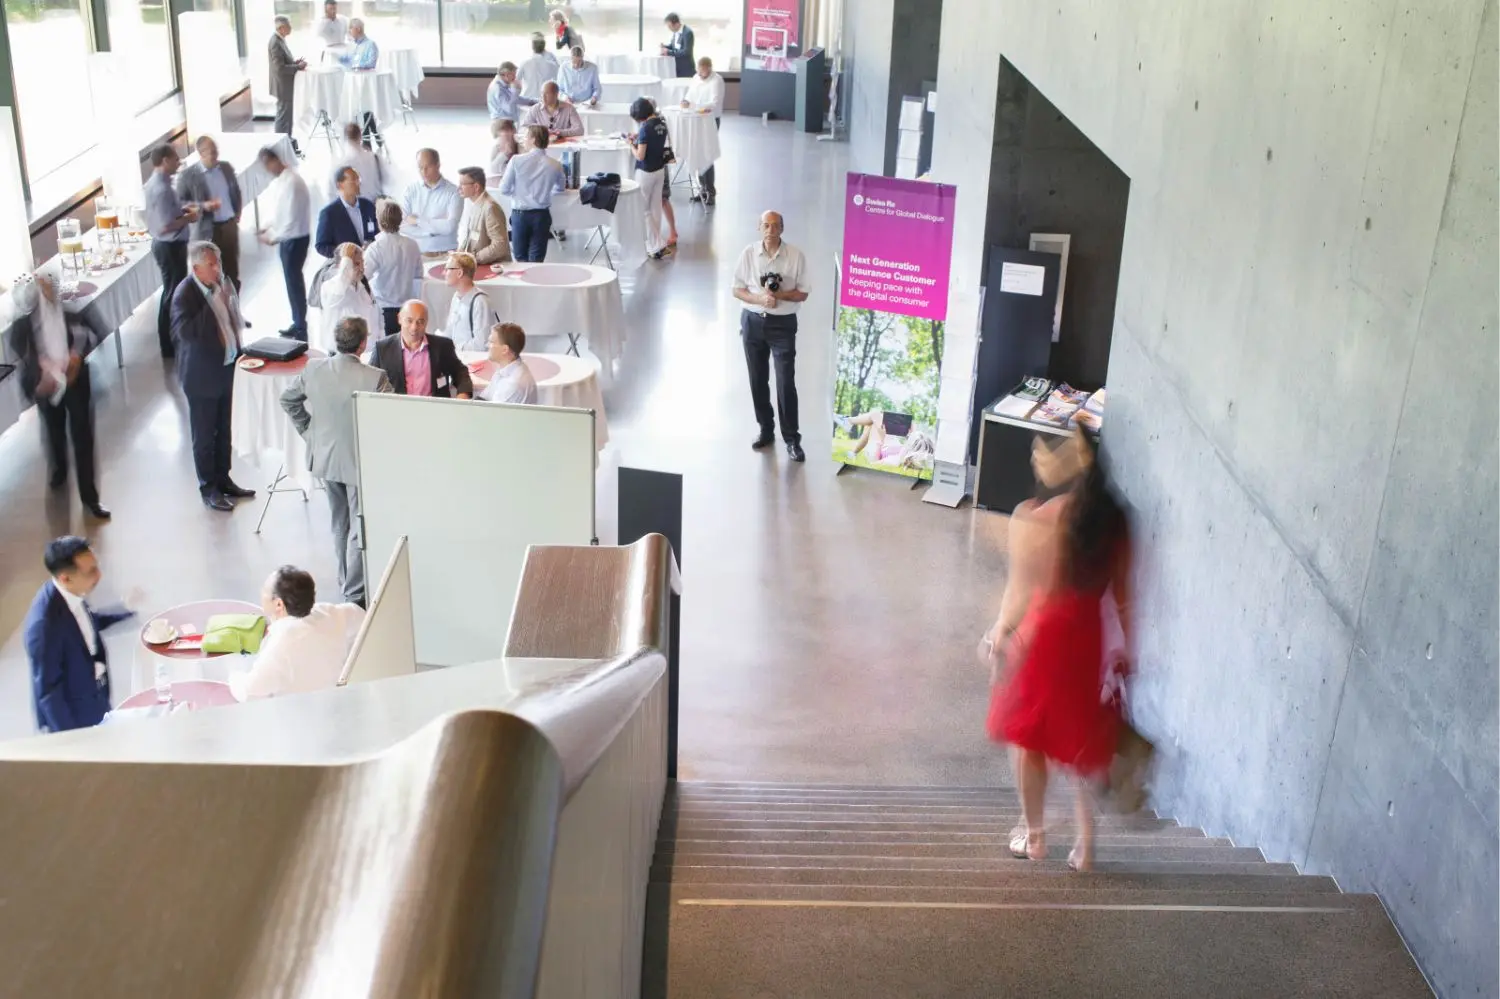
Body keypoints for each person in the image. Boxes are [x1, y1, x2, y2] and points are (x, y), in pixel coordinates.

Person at [984, 431, 1139, 872]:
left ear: (1069, 461)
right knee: (1079, 740)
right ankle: (1086, 847)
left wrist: (1002, 631)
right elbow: (1125, 595)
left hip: (1046, 631)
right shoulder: (1119, 519)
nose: (1036, 459)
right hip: (1088, 634)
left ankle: (1034, 838)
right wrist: (1126, 651)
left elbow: (1025, 588)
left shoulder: (1045, 516)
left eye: (1042, 452)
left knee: (1029, 738)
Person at [280, 319, 392, 607]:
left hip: (326, 459)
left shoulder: (314, 369)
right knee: (358, 525)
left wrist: (309, 433)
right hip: (359, 462)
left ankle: (344, 579)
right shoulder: (375, 377)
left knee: (338, 521)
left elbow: (288, 400)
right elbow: (390, 420)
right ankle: (354, 594)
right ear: (363, 343)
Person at [6, 276, 108, 519]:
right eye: (44, 290)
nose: (50, 294)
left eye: (52, 288)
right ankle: (59, 471)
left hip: (75, 382)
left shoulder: (71, 311)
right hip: (46, 385)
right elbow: (20, 351)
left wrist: (77, 356)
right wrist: (42, 370)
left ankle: (91, 499)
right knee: (54, 431)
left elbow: (98, 332)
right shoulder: (22, 324)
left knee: (83, 436)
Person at [171, 241, 255, 511]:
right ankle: (208, 488)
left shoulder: (218, 285)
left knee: (224, 428)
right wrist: (213, 305)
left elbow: (230, 320)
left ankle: (223, 477)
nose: (218, 268)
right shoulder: (184, 294)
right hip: (202, 377)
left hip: (226, 367)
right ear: (196, 267)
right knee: (204, 434)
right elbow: (184, 332)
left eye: (218, 262)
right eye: (212, 264)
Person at [24, 536, 135, 732]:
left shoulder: (70, 594)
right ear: (65, 578)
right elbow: (49, 693)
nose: (99, 575)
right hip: (76, 717)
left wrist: (125, 608)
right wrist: (73, 744)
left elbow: (87, 624)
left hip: (95, 696)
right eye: (91, 571)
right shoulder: (44, 626)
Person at [731, 211, 811, 461]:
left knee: (785, 381)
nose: (770, 230)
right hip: (753, 321)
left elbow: (803, 293)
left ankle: (792, 439)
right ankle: (766, 429)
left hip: (783, 324)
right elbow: (737, 289)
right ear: (759, 227)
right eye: (766, 225)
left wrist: (780, 296)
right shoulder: (748, 254)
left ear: (782, 229)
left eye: (775, 226)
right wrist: (759, 298)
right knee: (757, 379)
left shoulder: (796, 256)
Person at [229, 566, 365, 700]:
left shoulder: (281, 643)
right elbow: (361, 616)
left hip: (300, 713)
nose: (261, 593)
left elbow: (251, 689)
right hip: (336, 699)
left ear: (278, 604)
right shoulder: (327, 612)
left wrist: (233, 675)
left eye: (264, 590)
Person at [144, 144, 202, 358]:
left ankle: (173, 338)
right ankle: (169, 343)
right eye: (175, 159)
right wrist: (189, 218)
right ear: (165, 160)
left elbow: (168, 214)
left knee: (173, 291)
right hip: (170, 246)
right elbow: (166, 224)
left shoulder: (155, 184)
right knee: (173, 294)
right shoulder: (162, 189)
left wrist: (182, 211)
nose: (178, 163)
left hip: (167, 244)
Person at [255, 147, 312, 340]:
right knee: (292, 282)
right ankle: (297, 322)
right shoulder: (284, 181)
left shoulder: (291, 183)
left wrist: (273, 238)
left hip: (294, 240)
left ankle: (300, 326)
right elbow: (279, 211)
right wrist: (268, 226)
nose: (267, 170)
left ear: (273, 161)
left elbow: (290, 220)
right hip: (291, 238)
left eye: (267, 165)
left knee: (294, 282)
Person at [175, 136, 245, 292]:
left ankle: (233, 312)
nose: (216, 156)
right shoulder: (188, 176)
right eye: (212, 153)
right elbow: (180, 205)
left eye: (216, 151)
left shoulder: (226, 168)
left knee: (232, 273)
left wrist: (238, 211)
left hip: (229, 228)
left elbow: (236, 191)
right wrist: (203, 206)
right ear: (201, 153)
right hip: (207, 232)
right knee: (210, 278)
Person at [370, 300, 473, 398]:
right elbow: (369, 382)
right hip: (397, 411)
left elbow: (460, 372)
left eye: (420, 321)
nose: (414, 327)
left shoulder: (442, 346)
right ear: (399, 319)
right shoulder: (382, 349)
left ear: (426, 322)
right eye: (409, 321)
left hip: (435, 411)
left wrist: (463, 395)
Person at [500, 125, 565, 262]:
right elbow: (560, 188)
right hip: (541, 216)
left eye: (526, 136)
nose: (524, 139)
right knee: (537, 260)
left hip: (520, 215)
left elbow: (504, 189)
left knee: (520, 258)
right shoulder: (555, 164)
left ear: (533, 139)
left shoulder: (516, 160)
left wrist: (518, 193)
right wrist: (545, 190)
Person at [362, 199, 421, 336]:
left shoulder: (376, 248)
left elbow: (364, 277)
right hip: (408, 309)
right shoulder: (412, 245)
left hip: (384, 311)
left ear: (379, 220)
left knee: (387, 352)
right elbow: (418, 276)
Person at [628, 98, 673, 260]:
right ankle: (653, 243)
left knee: (643, 208)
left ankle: (656, 244)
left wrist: (631, 145)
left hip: (645, 172)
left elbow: (640, 155)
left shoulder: (645, 128)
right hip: (660, 170)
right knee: (655, 208)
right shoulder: (662, 123)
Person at [318, 242, 381, 355]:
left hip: (363, 350)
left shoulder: (363, 286)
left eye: (362, 263)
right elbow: (338, 294)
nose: (362, 268)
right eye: (356, 264)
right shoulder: (330, 287)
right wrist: (346, 259)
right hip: (340, 353)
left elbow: (373, 313)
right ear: (341, 266)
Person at [400, 148, 463, 254]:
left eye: (427, 167)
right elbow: (401, 225)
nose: (424, 172)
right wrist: (433, 231)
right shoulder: (410, 190)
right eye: (420, 168)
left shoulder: (454, 192)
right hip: (418, 255)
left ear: (438, 165)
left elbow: (450, 227)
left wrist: (418, 221)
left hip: (446, 254)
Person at [682, 56, 724, 205]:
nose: (700, 74)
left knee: (707, 154)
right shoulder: (696, 78)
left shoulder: (716, 80)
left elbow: (714, 102)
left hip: (710, 120)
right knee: (698, 154)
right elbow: (689, 94)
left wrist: (697, 106)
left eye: (702, 72)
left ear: (709, 68)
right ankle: (702, 189)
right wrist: (686, 102)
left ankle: (710, 191)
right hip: (695, 119)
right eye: (698, 72)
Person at [315, 166, 378, 257]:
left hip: (372, 262)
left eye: (358, 179)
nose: (358, 183)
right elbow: (321, 246)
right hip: (346, 266)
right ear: (340, 185)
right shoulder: (329, 213)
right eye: (353, 180)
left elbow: (377, 233)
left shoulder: (368, 206)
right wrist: (345, 253)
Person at [440, 252, 497, 351]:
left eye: (447, 269)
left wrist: (455, 348)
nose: (444, 273)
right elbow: (450, 330)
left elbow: (481, 345)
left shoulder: (480, 302)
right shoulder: (456, 297)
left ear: (459, 273)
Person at [456, 166, 511, 266]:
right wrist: (459, 254)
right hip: (482, 265)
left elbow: (500, 245)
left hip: (494, 268)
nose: (458, 188)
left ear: (476, 187)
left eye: (462, 184)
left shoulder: (490, 208)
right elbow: (472, 236)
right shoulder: (475, 203)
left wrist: (473, 258)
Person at [269, 16, 307, 152]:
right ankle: (280, 144)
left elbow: (284, 62)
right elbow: (279, 68)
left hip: (286, 85)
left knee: (286, 114)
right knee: (283, 115)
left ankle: (286, 141)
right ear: (281, 28)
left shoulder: (280, 40)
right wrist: (297, 67)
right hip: (282, 85)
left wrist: (294, 63)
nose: (291, 28)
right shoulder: (275, 42)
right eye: (288, 25)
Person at [476, 322, 537, 405]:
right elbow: (484, 397)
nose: (487, 345)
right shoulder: (505, 368)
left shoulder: (512, 384)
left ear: (505, 350)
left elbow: (493, 414)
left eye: (491, 342)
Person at [332, 122, 386, 199]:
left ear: (344, 139)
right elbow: (389, 181)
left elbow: (332, 192)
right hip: (375, 205)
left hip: (353, 207)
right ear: (360, 136)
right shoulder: (375, 158)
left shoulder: (340, 164)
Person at [517, 32, 558, 103]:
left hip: (528, 102)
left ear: (532, 47)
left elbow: (515, 83)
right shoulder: (553, 65)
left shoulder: (525, 63)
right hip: (546, 102)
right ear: (544, 46)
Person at [661, 13, 695, 77]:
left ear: (676, 24)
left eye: (670, 26)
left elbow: (686, 52)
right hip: (676, 66)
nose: (669, 28)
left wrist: (668, 52)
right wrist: (665, 47)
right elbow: (674, 46)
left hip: (686, 68)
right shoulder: (676, 32)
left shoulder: (687, 33)